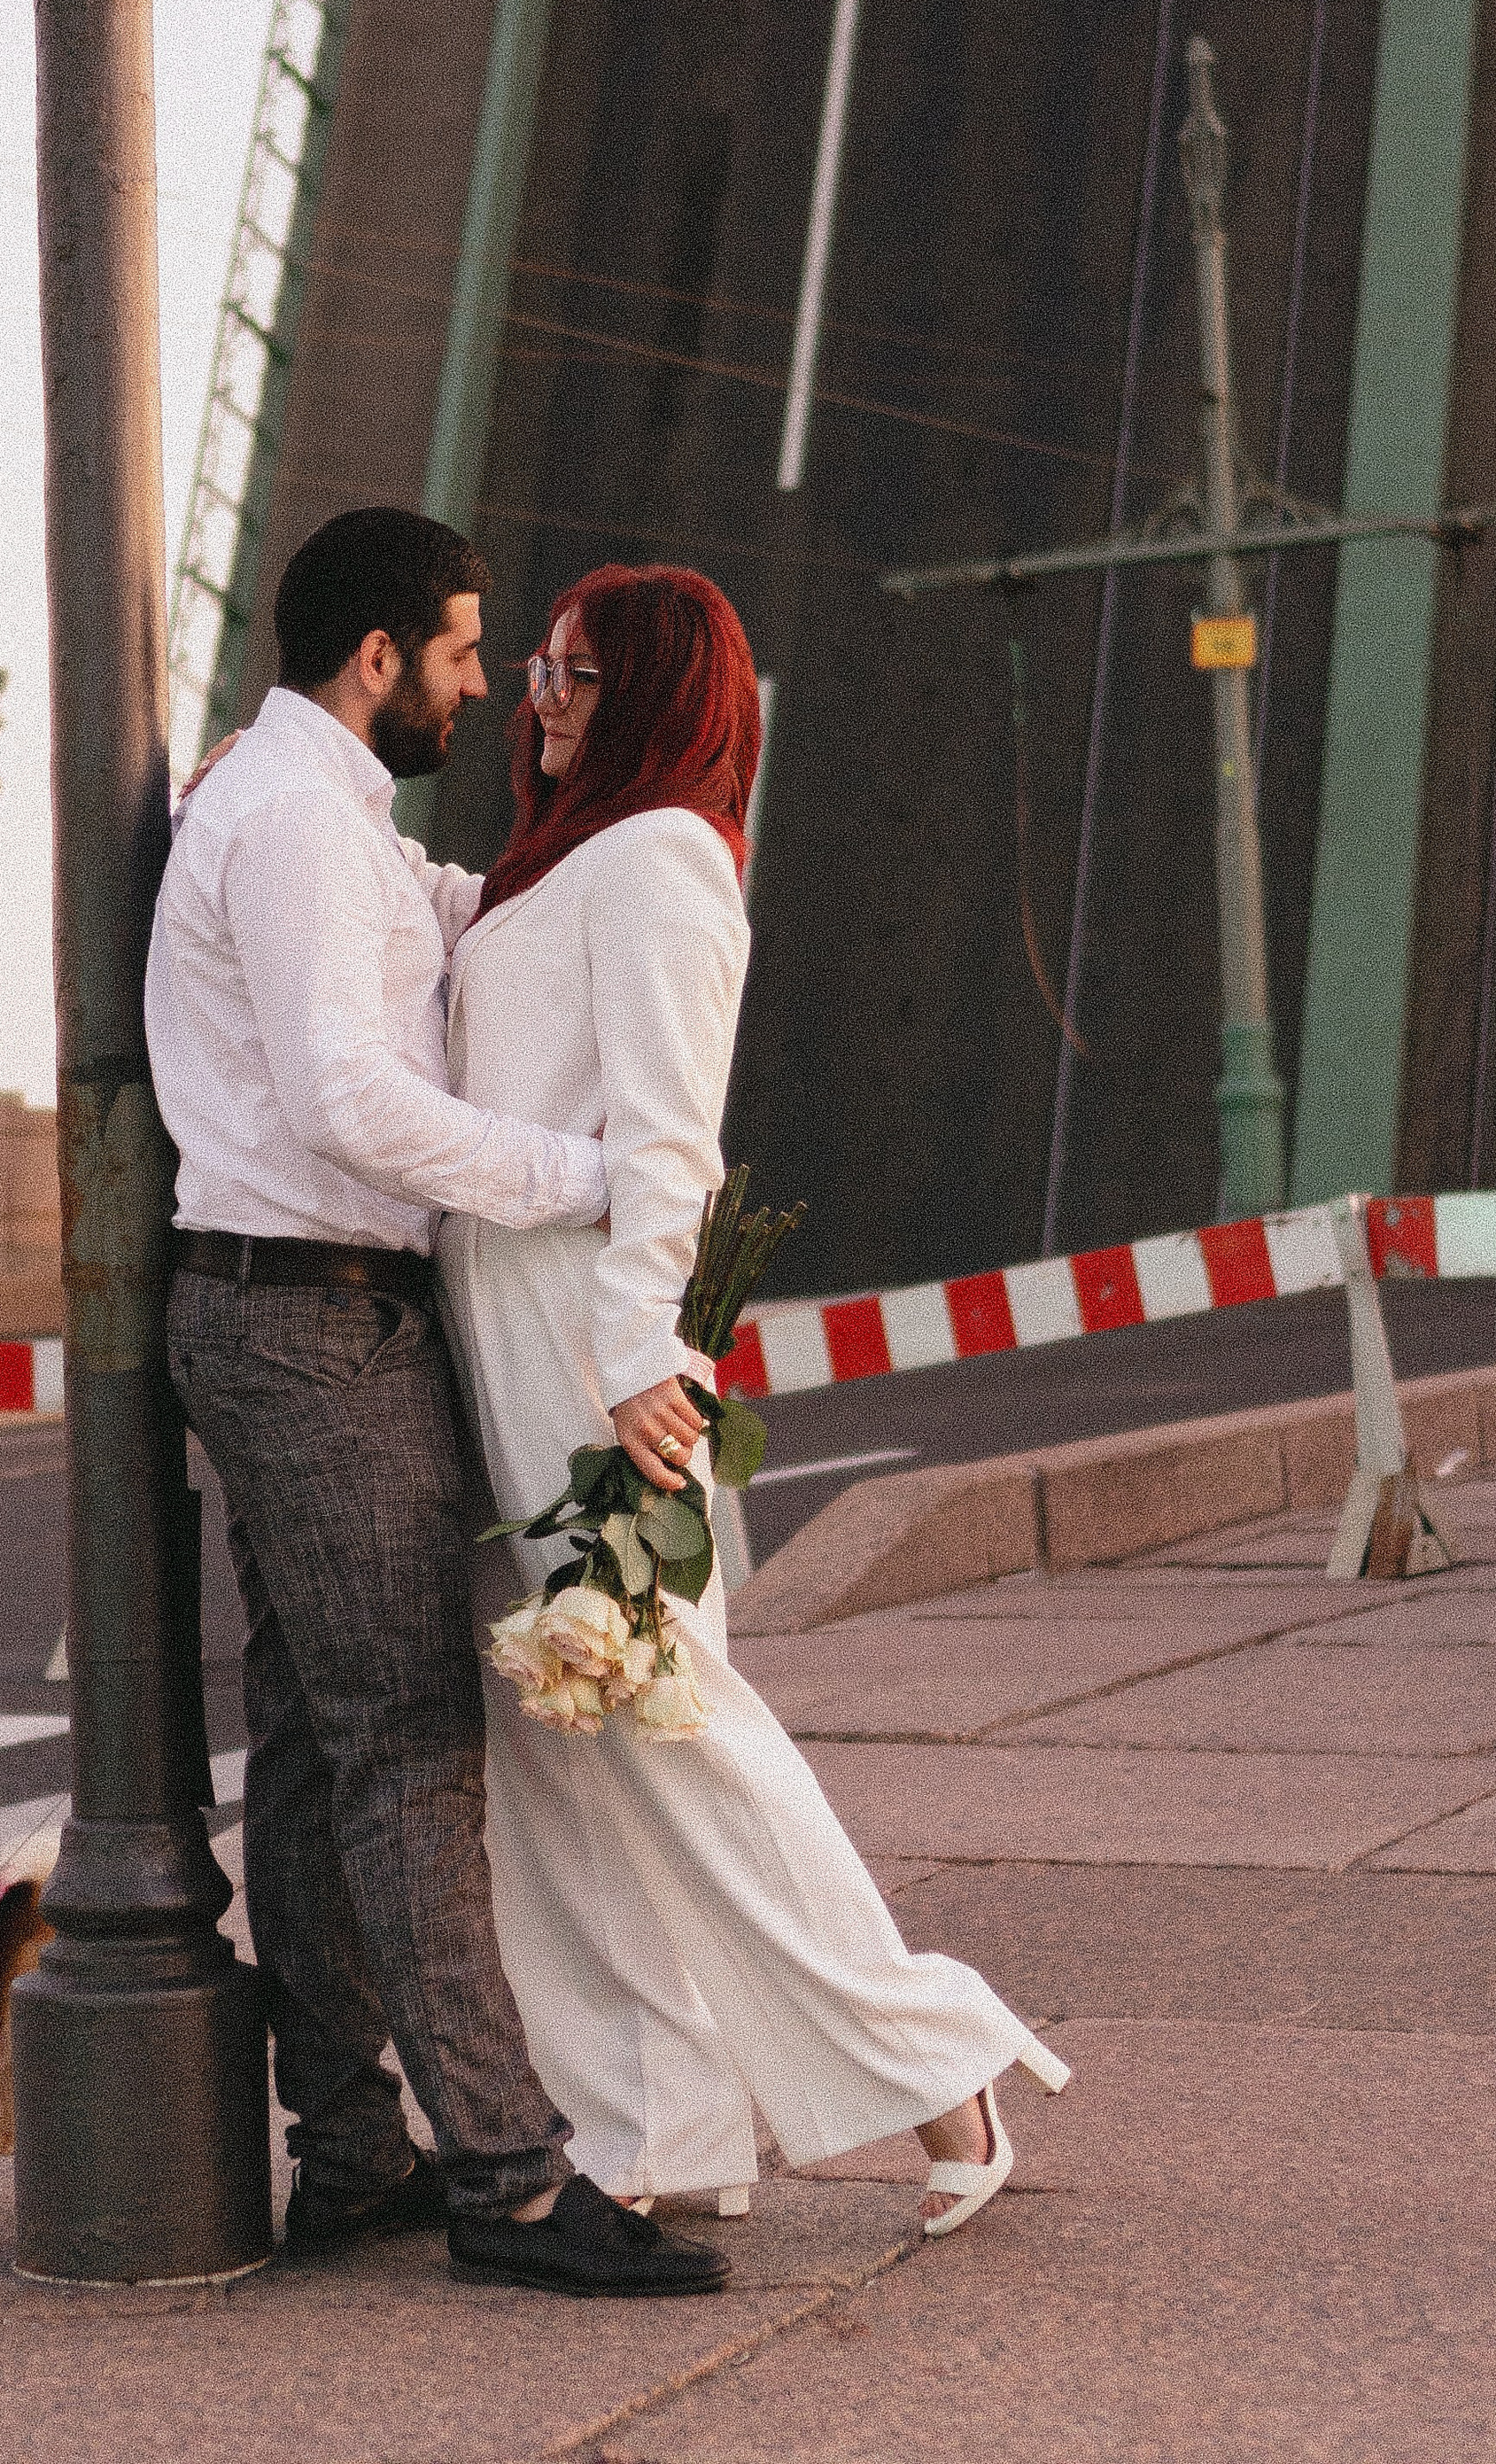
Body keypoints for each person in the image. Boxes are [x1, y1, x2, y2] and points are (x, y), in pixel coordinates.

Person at [437, 564, 1071, 2234]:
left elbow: (668, 1135)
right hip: (513, 1321)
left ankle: (939, 2063)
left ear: (656, 692)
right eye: (539, 664)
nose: (541, 694)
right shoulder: (564, 862)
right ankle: (655, 2129)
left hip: (592, 1338)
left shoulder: (661, 862)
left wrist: (646, 1354)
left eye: (577, 671)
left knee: (669, 1719)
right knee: (560, 1744)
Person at [145, 508, 726, 2297]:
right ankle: (510, 2180)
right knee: (407, 1746)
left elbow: (463, 923)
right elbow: (344, 1098)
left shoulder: (325, 820)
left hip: (291, 1316)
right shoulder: (299, 821)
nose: (485, 686)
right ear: (376, 659)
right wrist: (590, 1178)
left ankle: (348, 2151)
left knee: (326, 1747)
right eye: (466, 652)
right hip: (310, 1322)